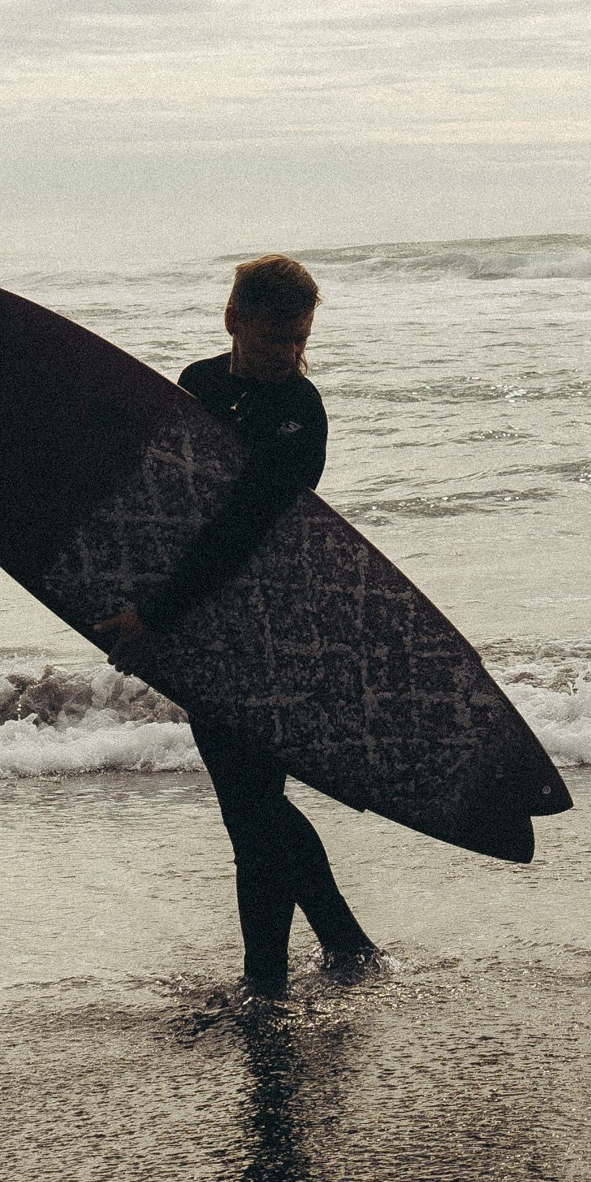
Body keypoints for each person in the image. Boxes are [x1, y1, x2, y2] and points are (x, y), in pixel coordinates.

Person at [91, 255, 379, 998]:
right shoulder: (199, 384)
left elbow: (245, 527)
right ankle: (344, 944)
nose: (288, 352)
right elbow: (168, 509)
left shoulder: (301, 413)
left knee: (253, 811)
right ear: (233, 321)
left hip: (271, 628)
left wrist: (157, 617)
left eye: (299, 338)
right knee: (252, 807)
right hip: (199, 626)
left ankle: (267, 980)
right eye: (275, 337)